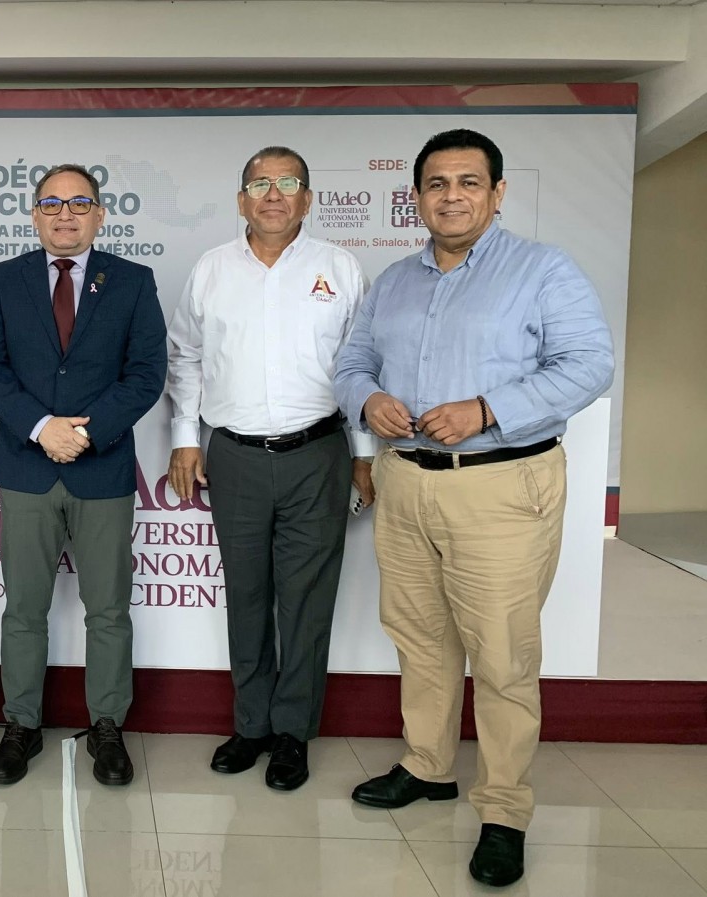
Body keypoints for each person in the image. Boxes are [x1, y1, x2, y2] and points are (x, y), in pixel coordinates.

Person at [333, 128, 614, 887]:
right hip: (405, 481)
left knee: (501, 653)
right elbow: (353, 361)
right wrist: (369, 398)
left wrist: (489, 408)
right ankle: (427, 765)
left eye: (467, 182)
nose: (451, 196)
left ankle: (503, 808)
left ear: (497, 193)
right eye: (436, 183)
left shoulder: (543, 270)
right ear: (416, 197)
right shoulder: (394, 280)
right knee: (419, 637)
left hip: (501, 483)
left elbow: (590, 364)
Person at [165, 146, 374, 791]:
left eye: (288, 183)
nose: (274, 194)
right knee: (248, 598)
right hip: (234, 457)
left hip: (318, 453)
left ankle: (291, 733)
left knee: (307, 603)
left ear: (307, 199)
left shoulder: (340, 268)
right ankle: (251, 725)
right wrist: (185, 437)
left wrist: (364, 455)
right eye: (260, 184)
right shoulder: (211, 269)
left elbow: (362, 366)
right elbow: (185, 355)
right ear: (241, 200)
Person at [0, 164, 167, 787]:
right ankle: (20, 725)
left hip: (102, 468)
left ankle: (107, 726)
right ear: (35, 214)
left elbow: (147, 373)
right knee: (23, 609)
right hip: (26, 468)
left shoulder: (132, 282)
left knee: (107, 610)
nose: (65, 214)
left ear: (100, 215)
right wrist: (41, 427)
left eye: (79, 202)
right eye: (52, 203)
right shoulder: (4, 280)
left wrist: (84, 432)